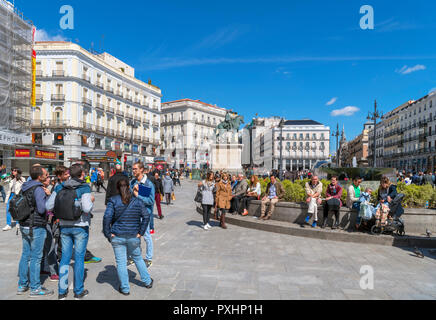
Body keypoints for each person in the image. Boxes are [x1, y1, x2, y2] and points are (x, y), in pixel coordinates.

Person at [103, 179, 153, 295]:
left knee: (121, 262)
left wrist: (108, 233)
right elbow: (146, 216)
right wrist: (141, 232)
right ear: (129, 187)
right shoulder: (137, 201)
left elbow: (107, 217)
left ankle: (125, 289)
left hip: (117, 235)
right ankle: (147, 281)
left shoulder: (113, 201)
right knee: (138, 258)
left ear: (117, 188)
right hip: (133, 235)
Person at [56, 164, 94, 300]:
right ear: (81, 174)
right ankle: (78, 291)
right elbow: (87, 208)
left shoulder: (60, 186)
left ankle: (62, 292)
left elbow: (49, 205)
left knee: (65, 258)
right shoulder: (84, 187)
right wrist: (91, 200)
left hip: (64, 226)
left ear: (69, 174)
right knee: (79, 259)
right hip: (80, 226)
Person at [17, 166, 54, 297]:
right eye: (46, 174)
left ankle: (22, 284)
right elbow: (42, 209)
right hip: (36, 226)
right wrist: (49, 197)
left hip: (24, 224)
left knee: (25, 255)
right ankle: (35, 288)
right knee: (36, 258)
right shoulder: (38, 189)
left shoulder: (25, 186)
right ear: (39, 176)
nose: (47, 176)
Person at [130, 162, 155, 268]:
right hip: (134, 213)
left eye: (135, 169)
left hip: (145, 214)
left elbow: (150, 201)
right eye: (133, 169)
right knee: (134, 237)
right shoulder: (133, 182)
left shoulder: (148, 184)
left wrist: (138, 194)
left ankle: (149, 259)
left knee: (147, 237)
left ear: (141, 170)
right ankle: (136, 257)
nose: (133, 171)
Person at [40, 174, 60, 282]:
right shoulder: (42, 191)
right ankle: (54, 272)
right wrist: (49, 195)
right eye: (47, 177)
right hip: (43, 222)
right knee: (50, 248)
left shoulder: (39, 189)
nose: (50, 179)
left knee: (43, 248)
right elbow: (46, 206)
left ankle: (42, 268)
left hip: (41, 222)